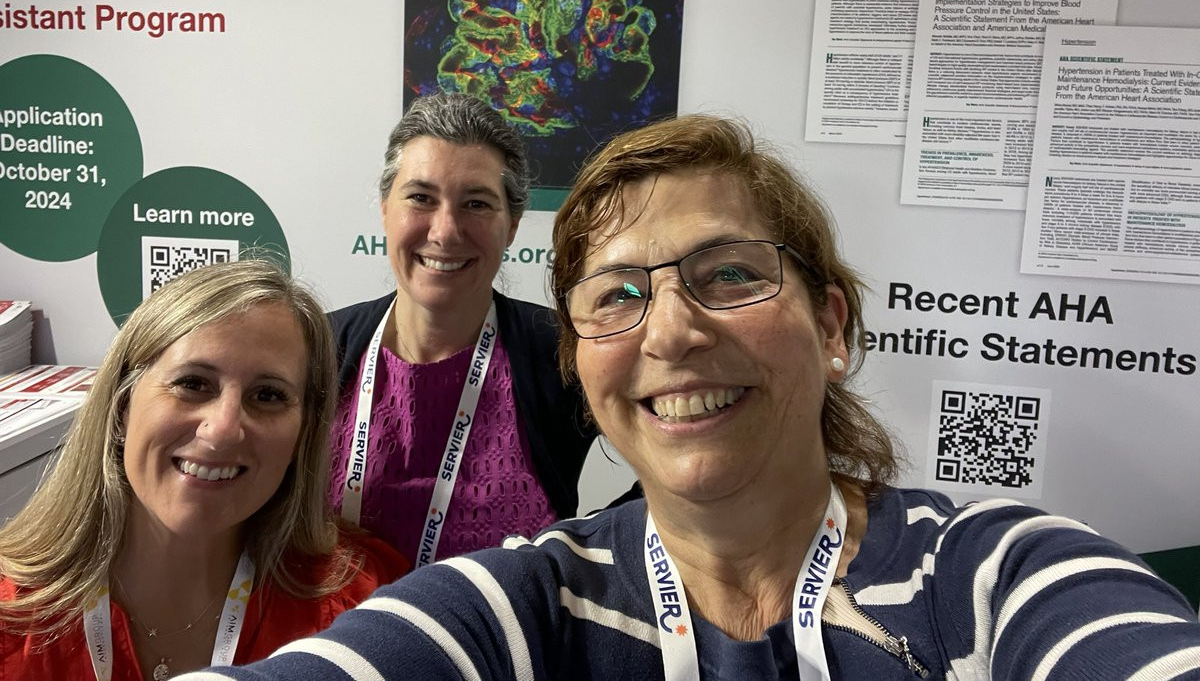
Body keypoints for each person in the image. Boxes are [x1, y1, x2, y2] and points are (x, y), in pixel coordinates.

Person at [180, 116, 1200, 680]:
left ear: (832, 326)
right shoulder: (531, 603)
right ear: (587, 360)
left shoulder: (994, 576)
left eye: (730, 275)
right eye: (617, 296)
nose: (669, 333)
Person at [0, 260, 408, 680]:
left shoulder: (359, 604)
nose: (223, 430)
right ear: (122, 405)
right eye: (193, 384)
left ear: (304, 433)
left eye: (268, 395)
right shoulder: (10, 614)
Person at [325, 92, 599, 567]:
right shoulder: (319, 348)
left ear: (512, 226)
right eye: (420, 198)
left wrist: (596, 552)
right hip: (342, 619)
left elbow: (682, 450)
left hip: (505, 621)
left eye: (476, 203)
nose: (445, 231)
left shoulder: (565, 352)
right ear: (385, 208)